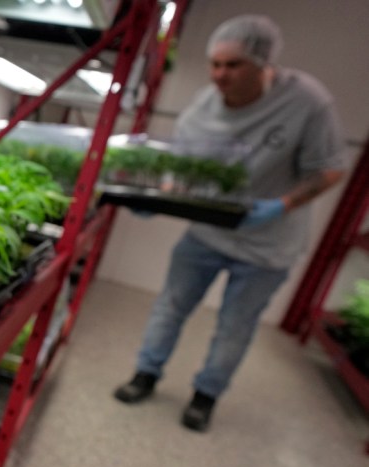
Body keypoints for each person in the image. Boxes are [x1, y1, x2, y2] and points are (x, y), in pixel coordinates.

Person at [113, 14, 347, 432]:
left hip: (268, 244)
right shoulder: (201, 110)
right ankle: (145, 373)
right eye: (214, 64)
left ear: (262, 63)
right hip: (206, 233)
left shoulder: (306, 102)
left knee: (235, 327)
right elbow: (181, 170)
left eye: (233, 65)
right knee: (170, 306)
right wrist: (157, 195)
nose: (220, 75)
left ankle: (206, 396)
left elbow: (330, 169)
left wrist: (282, 204)